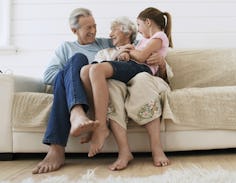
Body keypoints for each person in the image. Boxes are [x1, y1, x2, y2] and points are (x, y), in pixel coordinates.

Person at [32, 8, 170, 174]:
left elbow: (137, 48)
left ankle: (64, 138)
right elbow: (48, 76)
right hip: (76, 87)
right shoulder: (66, 47)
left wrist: (161, 61)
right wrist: (72, 78)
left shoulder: (107, 43)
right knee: (76, 61)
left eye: (94, 26)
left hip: (98, 83)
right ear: (74, 31)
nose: (94, 31)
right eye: (87, 28)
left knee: (85, 67)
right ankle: (75, 115)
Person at [80, 7, 173, 158]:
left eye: (139, 25)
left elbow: (141, 57)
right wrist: (124, 52)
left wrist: (128, 50)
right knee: (85, 70)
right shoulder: (142, 42)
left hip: (139, 70)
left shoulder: (156, 37)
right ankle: (100, 126)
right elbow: (136, 55)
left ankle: (101, 126)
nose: (110, 35)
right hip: (125, 71)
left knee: (96, 70)